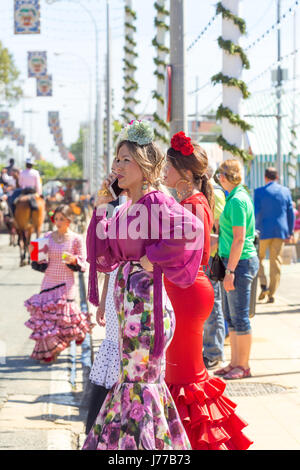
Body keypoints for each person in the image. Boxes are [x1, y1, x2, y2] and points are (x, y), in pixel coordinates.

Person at [83, 120, 204, 451]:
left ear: (144, 164)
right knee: (134, 383)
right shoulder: (127, 206)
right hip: (130, 306)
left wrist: (155, 256)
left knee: (139, 384)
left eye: (125, 160)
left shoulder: (154, 201)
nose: (117, 166)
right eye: (116, 160)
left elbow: (192, 229)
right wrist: (102, 207)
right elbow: (101, 251)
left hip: (146, 308)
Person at [163, 133, 253, 450]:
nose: (163, 171)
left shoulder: (191, 204)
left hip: (186, 293)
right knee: (183, 374)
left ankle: (196, 443)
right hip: (187, 290)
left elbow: (178, 252)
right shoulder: (195, 201)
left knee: (183, 377)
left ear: (185, 172)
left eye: (167, 165)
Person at [24, 205, 93, 363]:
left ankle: (76, 335)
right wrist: (32, 252)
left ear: (69, 220)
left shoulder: (76, 239)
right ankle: (50, 352)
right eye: (56, 218)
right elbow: (39, 261)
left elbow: (83, 263)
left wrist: (74, 260)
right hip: (48, 281)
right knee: (47, 319)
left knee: (65, 318)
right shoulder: (47, 236)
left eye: (62, 218)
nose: (58, 221)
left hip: (66, 283)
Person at [213, 160, 259, 380]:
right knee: (231, 316)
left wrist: (230, 270)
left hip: (238, 263)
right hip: (232, 262)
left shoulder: (237, 201)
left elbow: (240, 239)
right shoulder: (235, 198)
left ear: (224, 177)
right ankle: (235, 362)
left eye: (219, 174)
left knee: (239, 316)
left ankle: (244, 365)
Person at [254, 167, 295, 303]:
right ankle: (272, 293)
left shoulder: (259, 192)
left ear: (265, 177)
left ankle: (263, 285)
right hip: (280, 231)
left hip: (262, 231)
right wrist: (290, 231)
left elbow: (257, 213)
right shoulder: (285, 191)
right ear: (277, 177)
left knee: (258, 260)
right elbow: (290, 213)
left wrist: (255, 230)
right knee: (275, 262)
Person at [203, 161, 226, 370]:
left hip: (211, 258)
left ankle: (214, 351)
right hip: (205, 256)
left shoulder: (215, 194)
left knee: (213, 305)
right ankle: (211, 349)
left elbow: (219, 229)